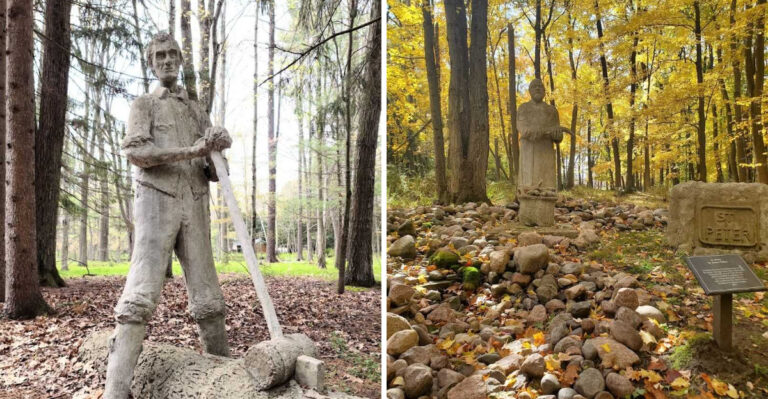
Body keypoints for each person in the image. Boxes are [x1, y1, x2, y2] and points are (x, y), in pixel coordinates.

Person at [104, 32, 232, 399]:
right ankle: (116, 388)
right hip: (156, 202)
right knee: (141, 291)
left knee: (208, 293)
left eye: (171, 54)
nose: (166, 61)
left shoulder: (194, 108)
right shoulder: (143, 104)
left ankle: (225, 378)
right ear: (151, 62)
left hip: (194, 201)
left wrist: (216, 148)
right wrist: (189, 150)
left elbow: (211, 169)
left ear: (180, 59)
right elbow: (137, 152)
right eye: (158, 55)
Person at [516, 78, 566, 196]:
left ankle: (547, 196)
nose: (537, 88)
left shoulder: (551, 110)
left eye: (540, 86)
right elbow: (521, 127)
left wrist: (557, 135)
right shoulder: (523, 108)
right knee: (528, 186)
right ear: (530, 91)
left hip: (546, 152)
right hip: (529, 151)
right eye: (534, 86)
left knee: (546, 187)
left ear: (544, 91)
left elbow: (558, 135)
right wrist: (532, 132)